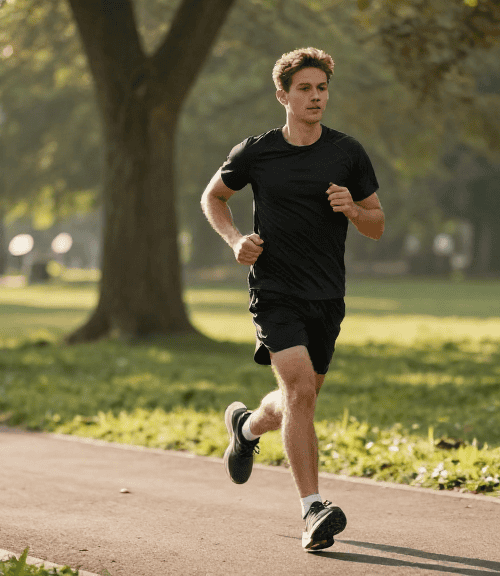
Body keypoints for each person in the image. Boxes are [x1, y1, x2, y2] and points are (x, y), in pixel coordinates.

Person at [200, 47, 384, 551]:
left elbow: (377, 224)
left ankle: (246, 428)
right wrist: (236, 240)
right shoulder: (256, 152)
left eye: (321, 88)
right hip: (274, 290)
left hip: (327, 295)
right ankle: (313, 510)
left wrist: (353, 210)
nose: (315, 97)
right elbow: (214, 197)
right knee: (300, 391)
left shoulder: (347, 153)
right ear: (283, 95)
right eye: (304, 89)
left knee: (297, 400)